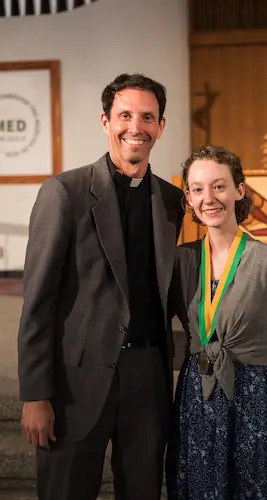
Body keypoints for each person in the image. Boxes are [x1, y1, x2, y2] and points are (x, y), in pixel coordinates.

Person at [18, 73, 184, 500]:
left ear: (161, 126)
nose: (136, 126)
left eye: (147, 117)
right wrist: (36, 395)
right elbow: (38, 301)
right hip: (76, 382)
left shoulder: (171, 200)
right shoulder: (65, 192)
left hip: (148, 379)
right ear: (105, 121)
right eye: (125, 115)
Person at [166, 145, 267, 499]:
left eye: (219, 186)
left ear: (239, 190)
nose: (208, 198)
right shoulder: (181, 261)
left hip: (254, 396)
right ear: (189, 198)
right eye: (197, 189)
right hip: (199, 393)